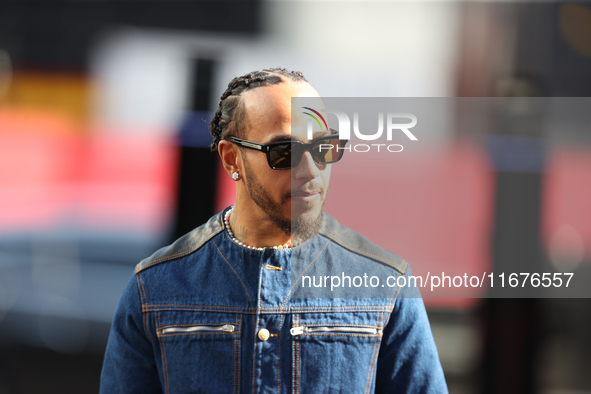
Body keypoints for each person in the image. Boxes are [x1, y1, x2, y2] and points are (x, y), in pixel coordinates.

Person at [100, 68, 448, 393]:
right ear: (232, 158)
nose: (311, 169)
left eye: (324, 147)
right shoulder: (157, 287)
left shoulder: (385, 284)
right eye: (286, 151)